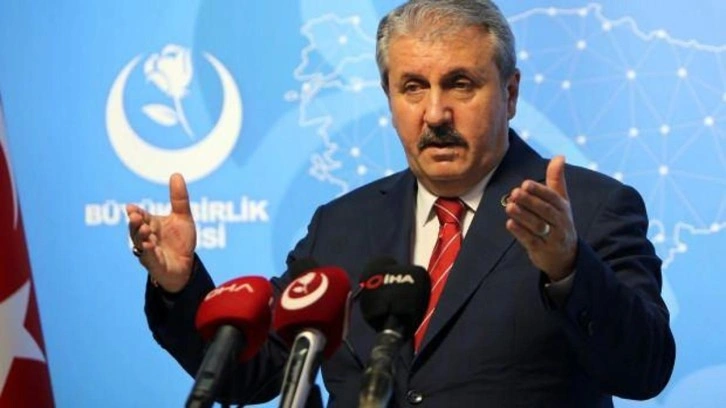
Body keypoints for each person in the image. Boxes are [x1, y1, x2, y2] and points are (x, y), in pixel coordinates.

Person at [127, 0, 675, 406]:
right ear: (389, 98)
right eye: (413, 87)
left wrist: (569, 270)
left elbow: (644, 370)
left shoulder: (590, 208)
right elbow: (254, 373)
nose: (435, 114)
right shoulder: (342, 225)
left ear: (509, 94)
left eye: (460, 84)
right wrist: (180, 286)